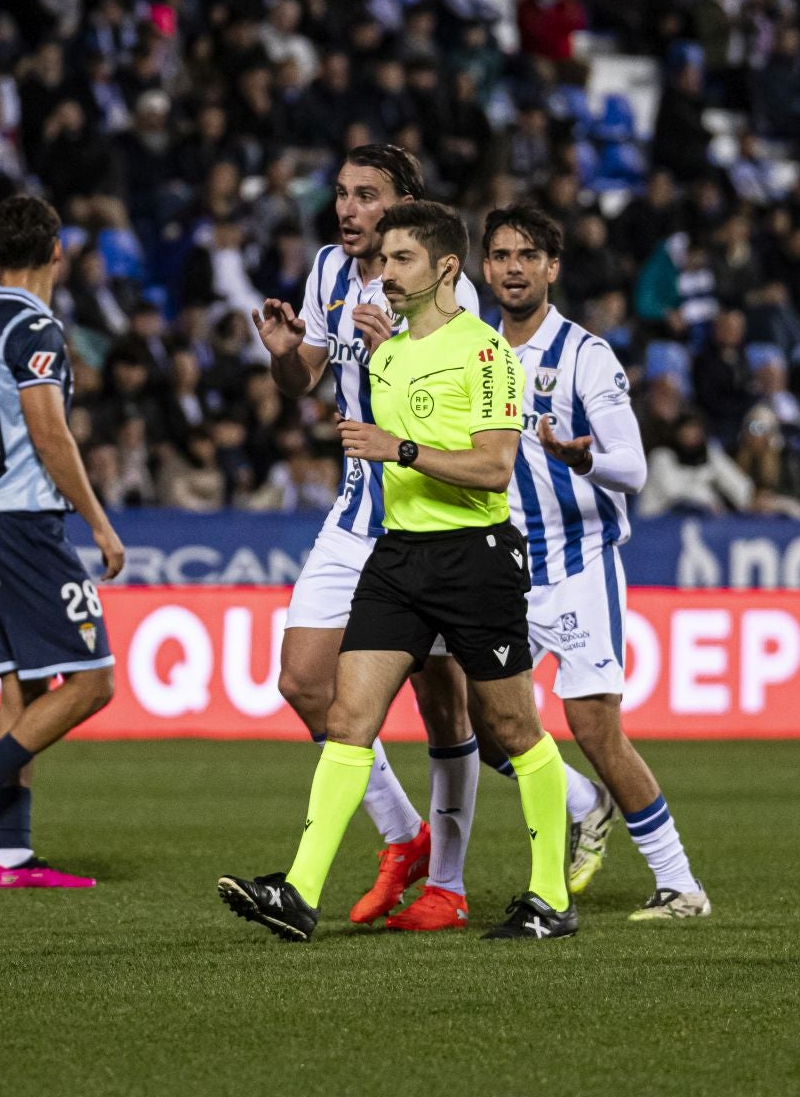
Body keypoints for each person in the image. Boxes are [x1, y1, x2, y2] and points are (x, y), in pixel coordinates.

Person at [219, 201, 577, 942]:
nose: (384, 273)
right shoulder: (384, 357)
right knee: (348, 721)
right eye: (383, 260)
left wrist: (399, 450)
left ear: (445, 269)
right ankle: (298, 892)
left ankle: (551, 898)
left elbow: (494, 468)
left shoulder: (487, 353)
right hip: (398, 557)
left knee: (512, 726)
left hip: (474, 558)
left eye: (401, 259)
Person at [248, 145, 481, 929]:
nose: (347, 209)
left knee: (444, 704)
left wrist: (393, 354)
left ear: (406, 205)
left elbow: (455, 419)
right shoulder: (327, 270)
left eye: (367, 195)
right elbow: (305, 378)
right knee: (303, 680)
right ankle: (404, 834)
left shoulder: (445, 289)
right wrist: (285, 356)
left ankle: (447, 886)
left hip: (429, 515)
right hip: (353, 517)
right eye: (342, 194)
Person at [480, 204, 710, 921]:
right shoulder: (473, 349)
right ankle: (584, 802)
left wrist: (583, 459)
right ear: (484, 268)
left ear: (552, 268)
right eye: (501, 255)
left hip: (579, 565)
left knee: (595, 729)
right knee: (480, 720)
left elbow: (633, 469)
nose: (513, 268)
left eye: (528, 255)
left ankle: (681, 886)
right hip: (506, 568)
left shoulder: (585, 355)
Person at [0, 195, 125, 889]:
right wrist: (97, 520)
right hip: (26, 522)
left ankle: (12, 853)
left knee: (24, 683)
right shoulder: (35, 328)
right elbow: (49, 433)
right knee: (94, 681)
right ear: (57, 253)